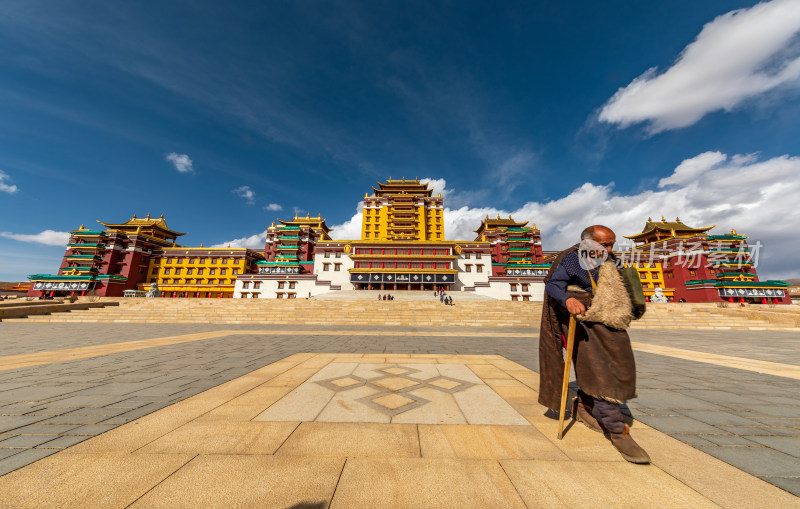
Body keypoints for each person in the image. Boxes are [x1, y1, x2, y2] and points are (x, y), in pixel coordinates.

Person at [538, 225, 650, 464]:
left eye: (611, 243)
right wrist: (567, 299)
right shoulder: (572, 259)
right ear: (587, 243)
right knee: (600, 371)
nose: (609, 249)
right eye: (604, 244)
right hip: (583, 320)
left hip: (612, 318)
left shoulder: (612, 261)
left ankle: (584, 407)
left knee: (622, 367)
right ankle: (617, 429)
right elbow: (553, 284)